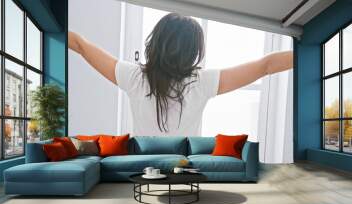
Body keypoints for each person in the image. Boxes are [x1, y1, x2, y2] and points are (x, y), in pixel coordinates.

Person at [68, 13, 293, 136]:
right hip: (183, 169)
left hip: (142, 169)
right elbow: (267, 65)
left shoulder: (134, 77)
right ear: (193, 51)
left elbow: (80, 45)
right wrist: (308, 51)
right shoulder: (203, 82)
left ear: (156, 43)